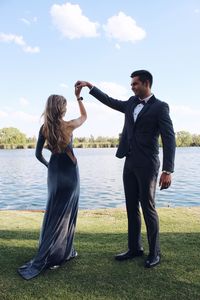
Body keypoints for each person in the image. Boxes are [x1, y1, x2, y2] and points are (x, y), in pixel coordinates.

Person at [75, 70, 176, 268]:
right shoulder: (131, 102)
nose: (132, 87)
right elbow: (110, 101)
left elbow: (169, 138)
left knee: (148, 207)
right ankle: (134, 248)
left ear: (146, 83)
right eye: (131, 84)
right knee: (131, 206)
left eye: (135, 84)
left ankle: (154, 253)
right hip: (129, 162)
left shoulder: (160, 107)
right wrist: (90, 87)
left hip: (148, 164)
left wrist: (168, 170)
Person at [18, 86, 87, 280]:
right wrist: (79, 98)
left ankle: (59, 251)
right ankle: (60, 254)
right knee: (67, 213)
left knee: (54, 213)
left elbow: (37, 154)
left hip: (54, 173)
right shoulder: (69, 125)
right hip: (71, 173)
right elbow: (84, 117)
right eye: (65, 106)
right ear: (61, 109)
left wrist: (49, 165)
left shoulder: (44, 128)